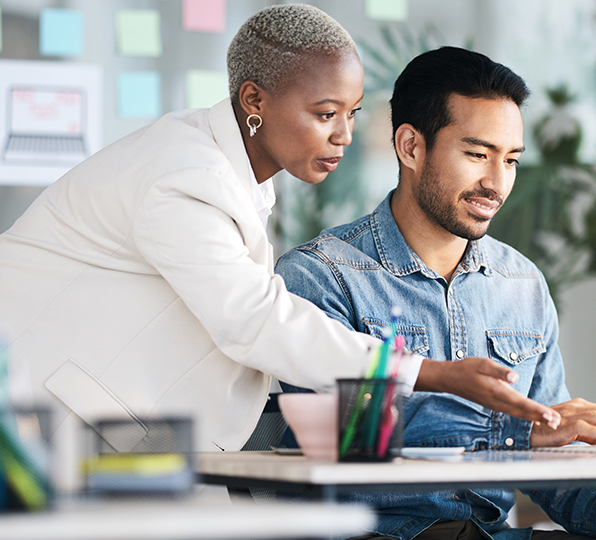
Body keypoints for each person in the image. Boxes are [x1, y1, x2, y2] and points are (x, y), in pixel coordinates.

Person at [0, 5, 556, 459]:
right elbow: (255, 321)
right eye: (323, 113)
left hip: (110, 428)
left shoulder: (230, 176)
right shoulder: (184, 177)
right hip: (38, 415)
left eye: (354, 113)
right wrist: (432, 373)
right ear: (254, 102)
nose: (343, 135)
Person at [276, 47, 596, 540]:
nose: (497, 182)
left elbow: (558, 453)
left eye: (510, 160)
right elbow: (354, 450)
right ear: (410, 147)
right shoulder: (322, 276)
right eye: (477, 154)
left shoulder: (521, 284)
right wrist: (518, 434)